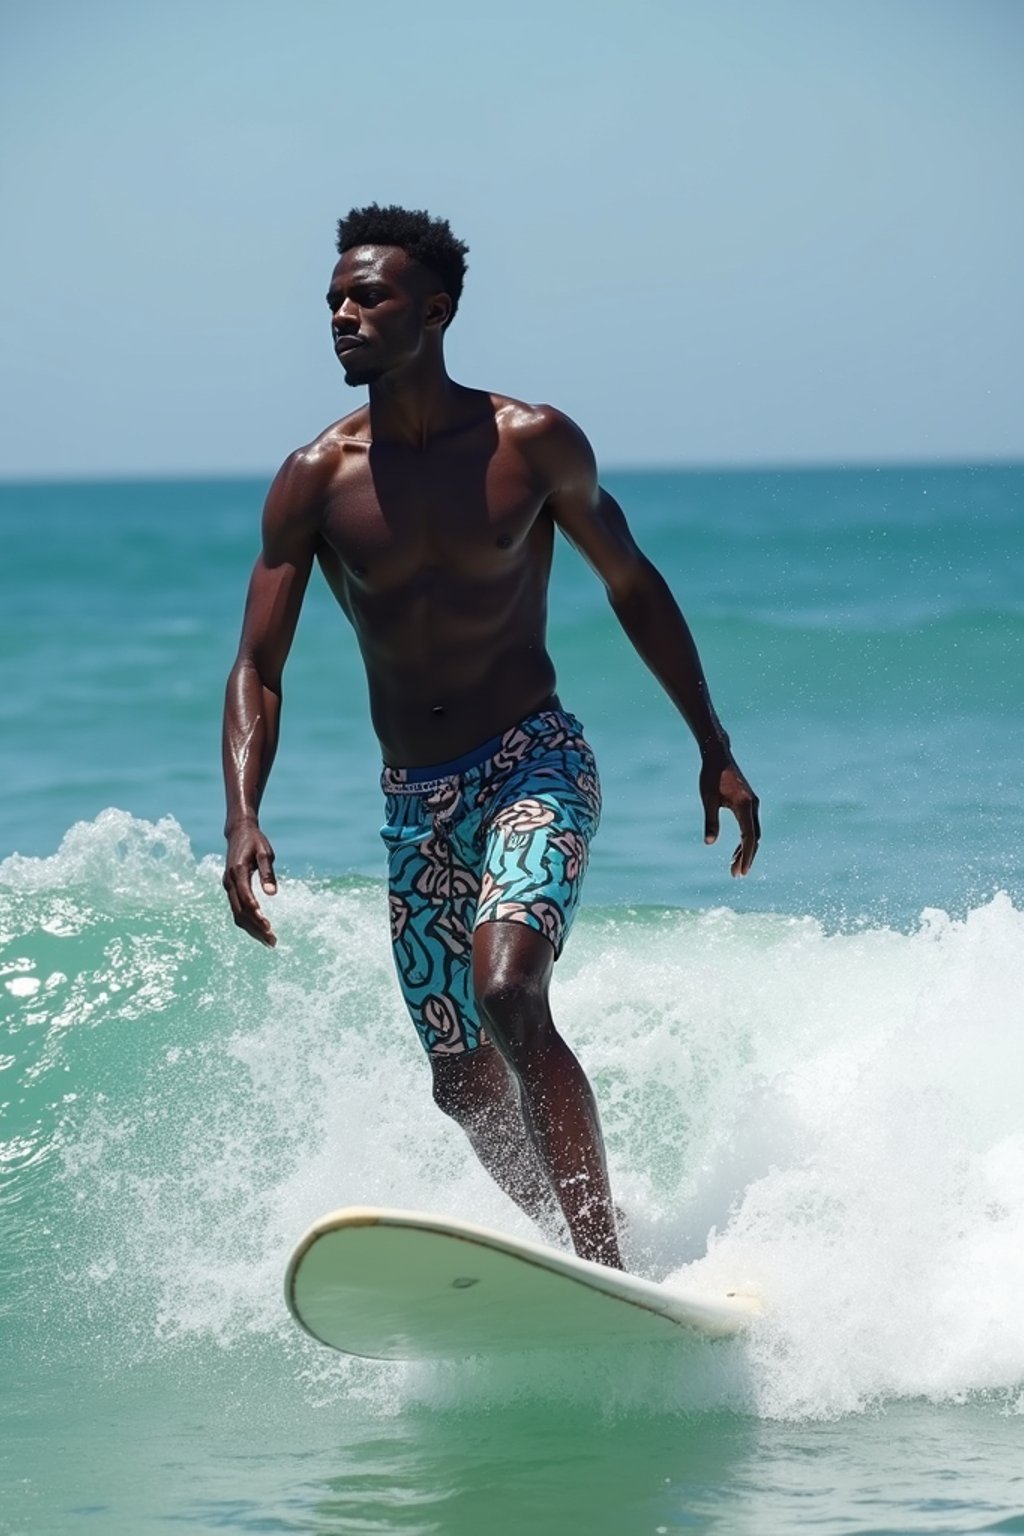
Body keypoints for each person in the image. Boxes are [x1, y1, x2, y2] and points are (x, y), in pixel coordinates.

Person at [222, 204, 760, 1270]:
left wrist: (712, 741)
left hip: (533, 764)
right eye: (333, 298)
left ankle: (604, 1260)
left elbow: (631, 583)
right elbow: (258, 667)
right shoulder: (314, 478)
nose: (341, 314)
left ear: (436, 311)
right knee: (461, 1084)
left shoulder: (532, 443)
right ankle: (568, 1255)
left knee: (509, 990)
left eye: (366, 296)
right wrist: (243, 813)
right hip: (413, 805)